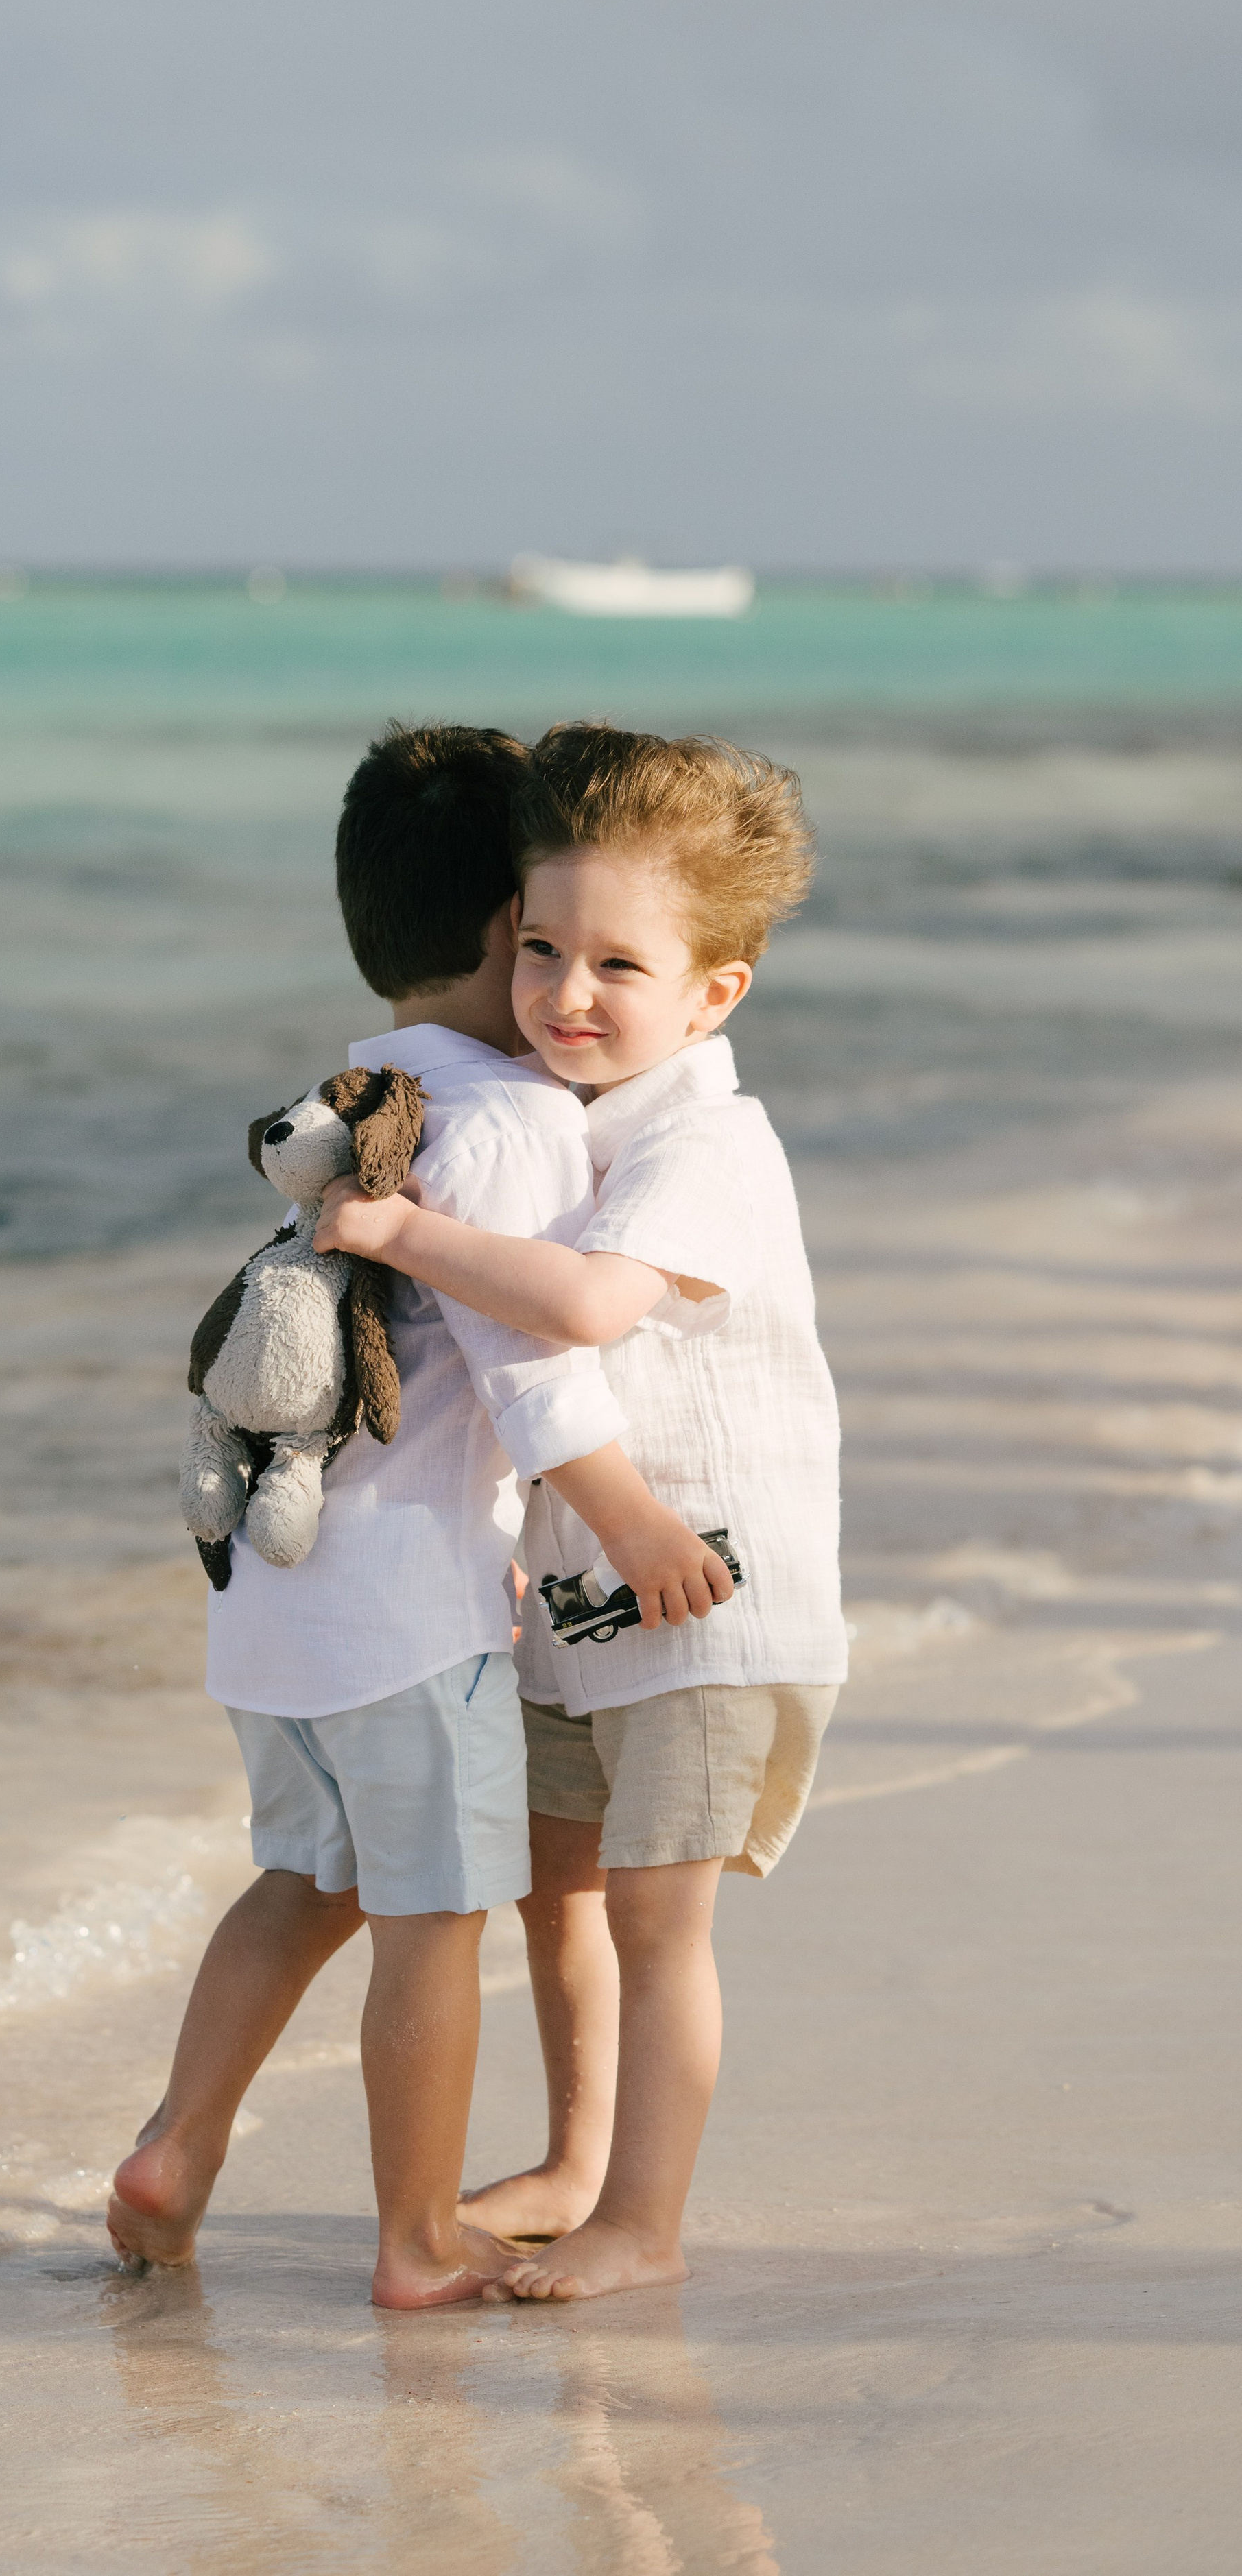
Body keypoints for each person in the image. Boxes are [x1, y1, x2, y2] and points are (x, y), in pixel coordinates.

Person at [108, 723, 730, 2308]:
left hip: (268, 1597)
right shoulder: (515, 1121)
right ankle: (412, 2239)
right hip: (406, 1612)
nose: (556, 984)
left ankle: (177, 2147)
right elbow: (535, 1373)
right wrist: (634, 1523)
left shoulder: (357, 1089)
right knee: (433, 1920)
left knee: (298, 1882)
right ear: (494, 936)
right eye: (537, 936)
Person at [318, 724, 847, 2301]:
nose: (562, 993)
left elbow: (589, 1308)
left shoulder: (705, 1144)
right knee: (561, 1901)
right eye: (539, 947)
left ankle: (645, 2221)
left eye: (617, 965)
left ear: (711, 994)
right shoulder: (567, 1118)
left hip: (706, 1588)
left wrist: (396, 1225)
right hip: (572, 1596)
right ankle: (573, 2159)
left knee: (657, 1924)